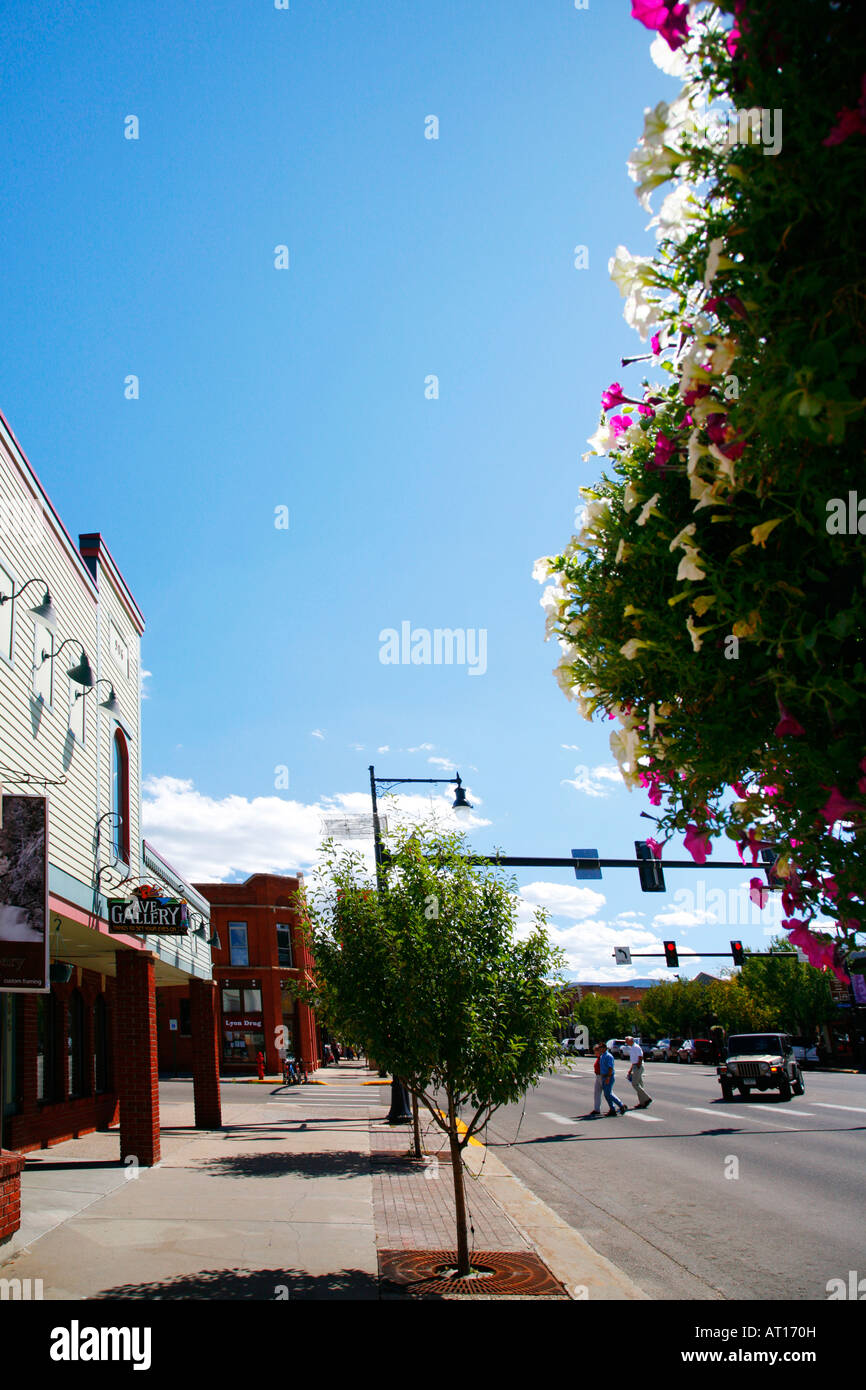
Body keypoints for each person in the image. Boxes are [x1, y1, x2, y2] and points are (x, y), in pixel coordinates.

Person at [599, 1043, 628, 1116]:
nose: (600, 1049)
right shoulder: (602, 1056)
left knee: (608, 1094)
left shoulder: (608, 1056)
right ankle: (612, 1109)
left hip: (608, 1076)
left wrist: (608, 1077)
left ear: (605, 1048)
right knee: (606, 1094)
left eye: (601, 1047)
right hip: (603, 1076)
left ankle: (621, 1105)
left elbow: (610, 1067)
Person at [625, 1035, 652, 1109]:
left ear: (631, 1040)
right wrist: (630, 1070)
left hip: (638, 1066)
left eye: (627, 1040)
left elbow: (640, 1057)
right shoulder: (632, 1048)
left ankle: (647, 1098)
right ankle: (642, 1102)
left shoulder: (636, 1047)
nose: (626, 1042)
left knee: (635, 1084)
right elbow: (633, 1061)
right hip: (635, 1066)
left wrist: (638, 1067)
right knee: (639, 1085)